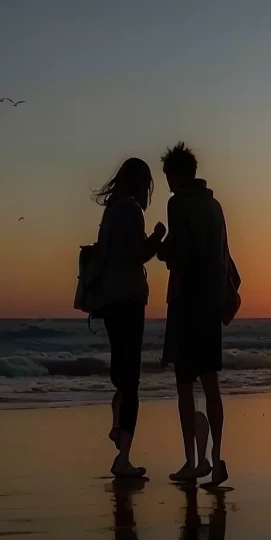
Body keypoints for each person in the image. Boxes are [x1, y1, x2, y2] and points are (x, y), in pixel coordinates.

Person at [158, 142, 233, 486]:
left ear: (175, 174)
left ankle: (192, 460)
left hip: (187, 303)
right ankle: (216, 458)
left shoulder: (177, 204)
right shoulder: (215, 206)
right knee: (212, 385)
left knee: (185, 385)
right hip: (211, 304)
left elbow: (180, 252)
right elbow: (225, 257)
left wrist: (162, 251)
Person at [92, 157, 166, 478]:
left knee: (120, 369)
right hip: (129, 298)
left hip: (108, 299)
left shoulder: (110, 211)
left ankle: (116, 425)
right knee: (132, 377)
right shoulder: (132, 210)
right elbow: (137, 254)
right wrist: (157, 237)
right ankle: (123, 458)